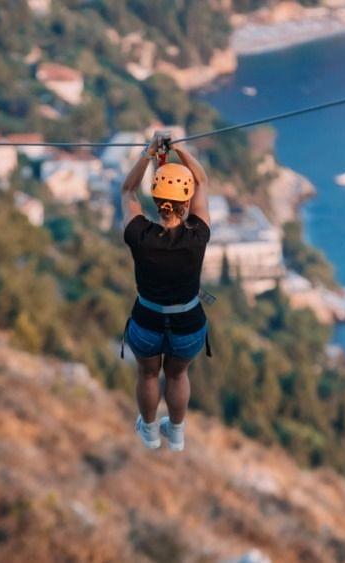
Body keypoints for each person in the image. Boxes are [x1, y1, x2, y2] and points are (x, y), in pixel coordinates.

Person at [120, 131, 211, 452]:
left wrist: (149, 153)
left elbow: (128, 190)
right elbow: (201, 182)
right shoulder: (198, 234)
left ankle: (149, 430)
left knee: (148, 375)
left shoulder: (139, 234)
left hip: (147, 320)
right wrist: (180, 148)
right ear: (186, 204)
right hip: (188, 322)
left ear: (156, 201)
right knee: (177, 376)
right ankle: (176, 432)